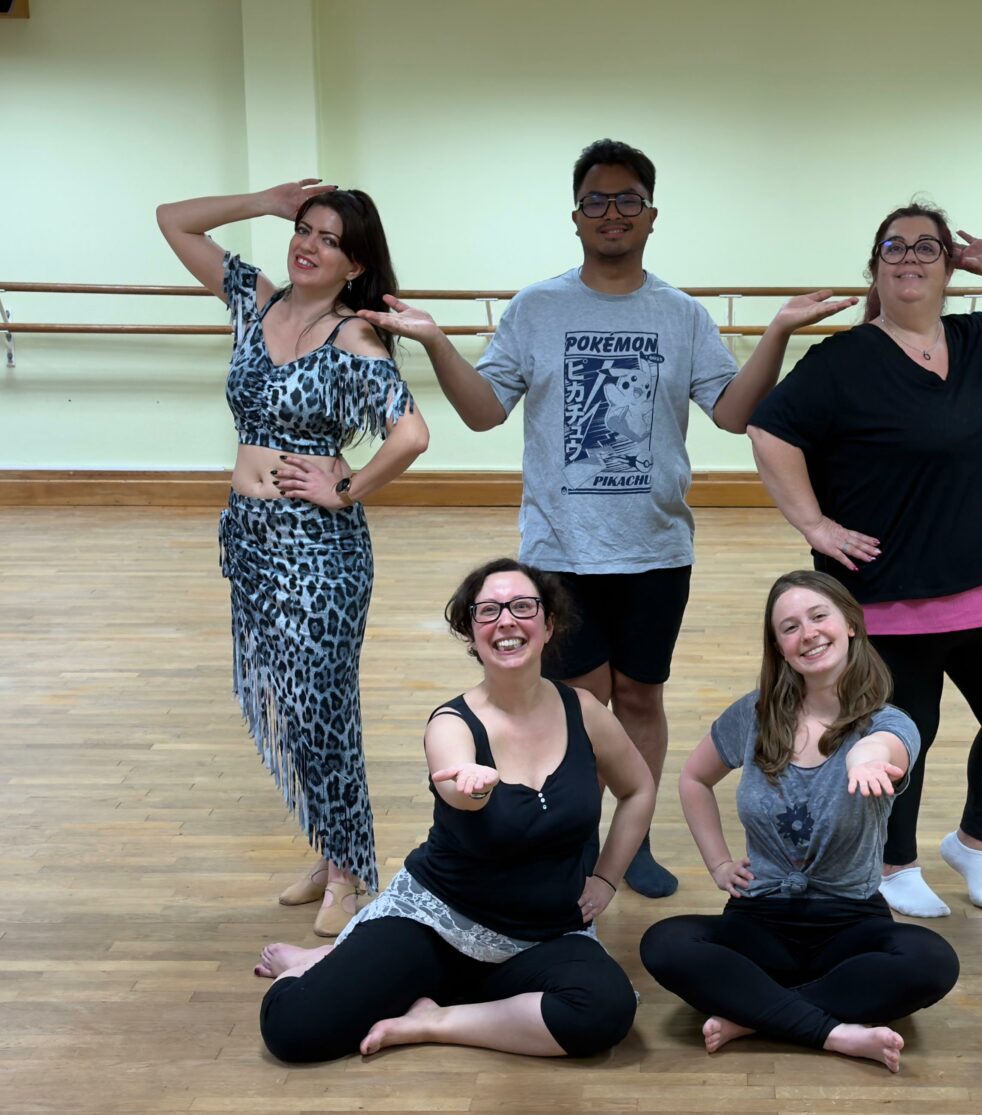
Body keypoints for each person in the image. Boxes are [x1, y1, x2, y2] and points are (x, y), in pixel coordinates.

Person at [360, 140, 854, 898]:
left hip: (656, 547)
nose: (612, 212)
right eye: (597, 200)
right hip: (561, 551)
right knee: (585, 703)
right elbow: (485, 412)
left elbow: (731, 413)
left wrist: (779, 332)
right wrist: (434, 342)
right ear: (577, 216)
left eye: (628, 200)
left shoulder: (681, 315)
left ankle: (636, 831)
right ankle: (581, 840)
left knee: (642, 697)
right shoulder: (537, 308)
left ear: (651, 216)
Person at [746, 202, 982, 918]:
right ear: (875, 267)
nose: (910, 259)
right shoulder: (841, 361)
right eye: (894, 247)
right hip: (888, 590)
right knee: (904, 736)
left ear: (950, 266)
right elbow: (769, 432)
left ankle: (974, 845)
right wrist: (815, 524)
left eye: (928, 247)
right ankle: (895, 864)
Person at [157, 179, 430, 936]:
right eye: (303, 230)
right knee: (292, 702)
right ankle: (331, 846)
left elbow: (411, 434)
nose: (308, 245)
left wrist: (346, 487)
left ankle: (350, 873)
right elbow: (172, 220)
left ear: (355, 264)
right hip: (251, 539)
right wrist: (265, 202)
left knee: (323, 710)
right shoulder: (257, 303)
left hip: (319, 551)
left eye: (329, 239)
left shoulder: (354, 338)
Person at [254, 558, 655, 1062]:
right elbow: (457, 788)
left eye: (522, 607)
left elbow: (638, 788)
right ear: (470, 632)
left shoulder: (585, 712)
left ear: (549, 624)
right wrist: (473, 787)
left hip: (545, 936)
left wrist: (606, 879)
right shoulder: (452, 722)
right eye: (488, 611)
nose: (506, 621)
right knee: (293, 1028)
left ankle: (433, 1019)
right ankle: (318, 963)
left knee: (606, 1011)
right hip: (439, 925)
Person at [639, 571, 958, 1073]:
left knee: (933, 961)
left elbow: (883, 749)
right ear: (780, 648)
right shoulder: (754, 714)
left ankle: (756, 1016)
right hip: (759, 920)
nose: (807, 633)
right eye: (789, 627)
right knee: (664, 944)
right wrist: (719, 864)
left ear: (850, 624)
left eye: (818, 616)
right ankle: (832, 1031)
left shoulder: (889, 723)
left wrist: (864, 760)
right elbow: (694, 779)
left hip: (850, 923)